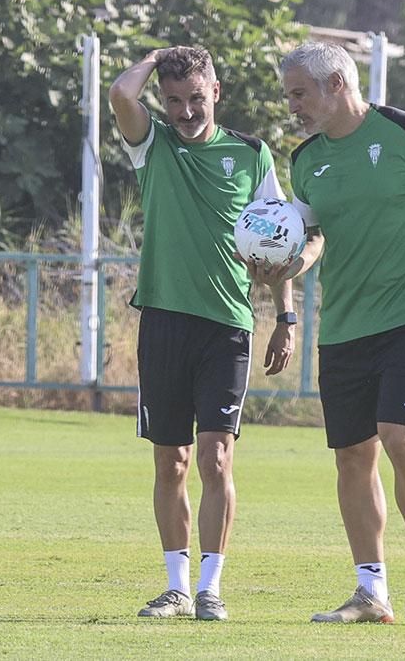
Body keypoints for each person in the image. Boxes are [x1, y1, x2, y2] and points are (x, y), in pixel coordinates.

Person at [250, 41, 405, 625]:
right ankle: (369, 592)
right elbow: (311, 237)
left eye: (299, 94)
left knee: (401, 439)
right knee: (353, 457)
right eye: (289, 95)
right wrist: (287, 270)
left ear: (337, 85)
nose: (293, 106)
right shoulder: (306, 160)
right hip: (343, 325)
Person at [108, 46, 296, 622]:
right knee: (173, 463)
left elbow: (278, 239)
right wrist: (158, 55)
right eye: (174, 101)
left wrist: (285, 316)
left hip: (229, 325)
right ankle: (177, 587)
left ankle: (211, 587)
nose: (186, 111)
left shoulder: (250, 153)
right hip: (163, 320)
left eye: (196, 97)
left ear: (216, 91)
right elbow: (120, 94)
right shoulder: (153, 145)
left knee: (216, 460)